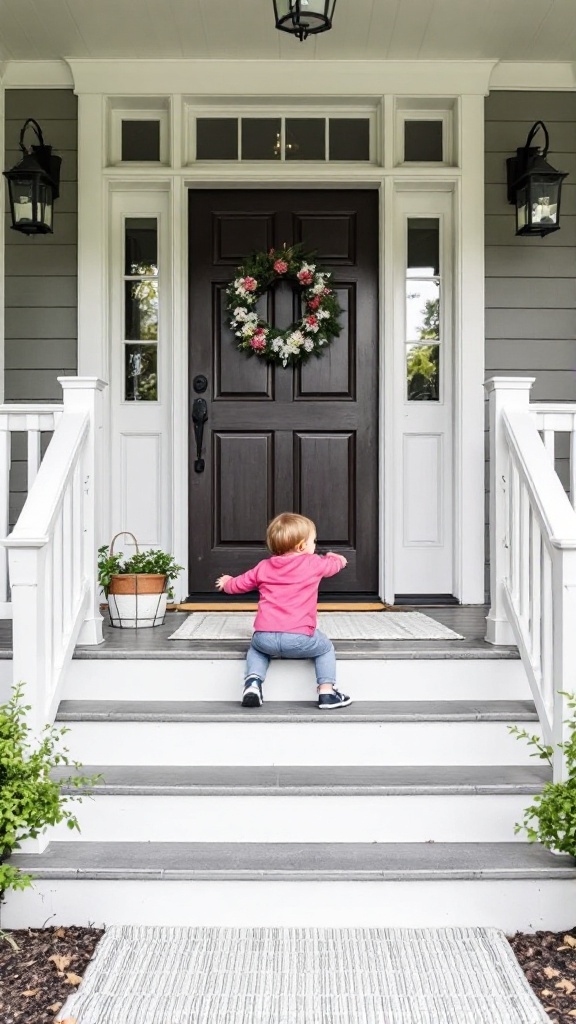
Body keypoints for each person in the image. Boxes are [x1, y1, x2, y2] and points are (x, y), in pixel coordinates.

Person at [215, 512, 351, 710]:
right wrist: (336, 557)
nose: (315, 545)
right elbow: (335, 565)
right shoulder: (314, 563)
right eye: (314, 540)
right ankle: (327, 692)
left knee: (256, 649)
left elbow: (238, 584)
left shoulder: (263, 567)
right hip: (300, 638)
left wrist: (227, 582)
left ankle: (253, 682)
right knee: (326, 648)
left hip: (265, 637)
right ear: (302, 545)